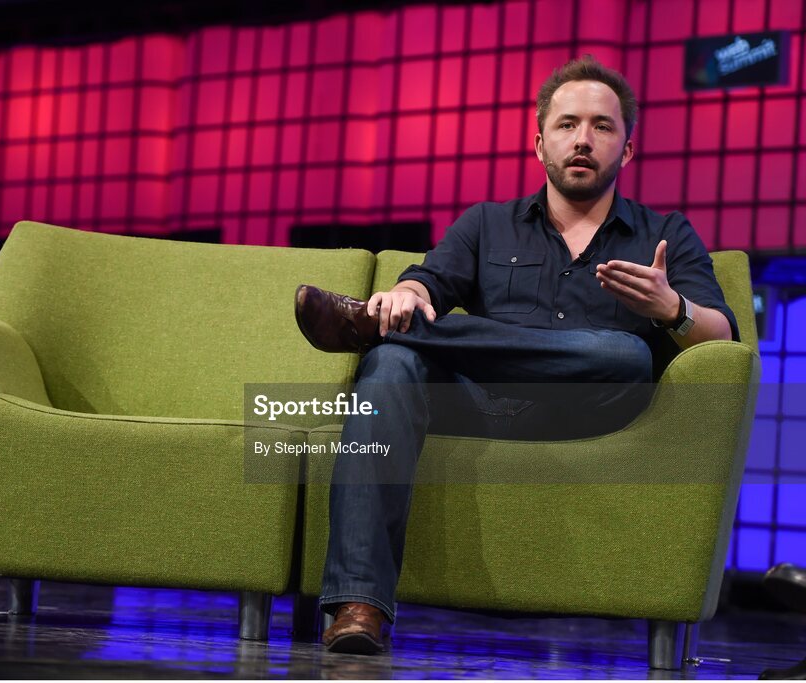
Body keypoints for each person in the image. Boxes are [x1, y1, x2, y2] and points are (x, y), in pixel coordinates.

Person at [293, 55, 740, 655]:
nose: (583, 139)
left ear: (627, 150)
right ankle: (357, 607)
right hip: (479, 403)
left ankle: (375, 331)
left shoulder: (665, 233)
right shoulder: (485, 224)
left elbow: (723, 341)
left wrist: (671, 308)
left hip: (589, 407)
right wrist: (405, 295)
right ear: (539, 143)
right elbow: (427, 282)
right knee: (390, 366)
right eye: (567, 124)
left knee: (627, 353)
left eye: (603, 127)